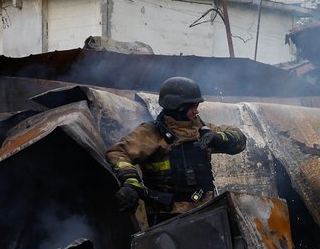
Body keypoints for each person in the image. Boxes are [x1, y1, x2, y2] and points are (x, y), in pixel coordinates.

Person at [106, 77, 247, 224]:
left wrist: (219, 138)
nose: (196, 111)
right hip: (168, 218)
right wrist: (131, 183)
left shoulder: (203, 130)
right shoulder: (150, 133)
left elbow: (240, 140)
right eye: (192, 106)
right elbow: (117, 153)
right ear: (178, 106)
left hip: (207, 213)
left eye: (197, 105)